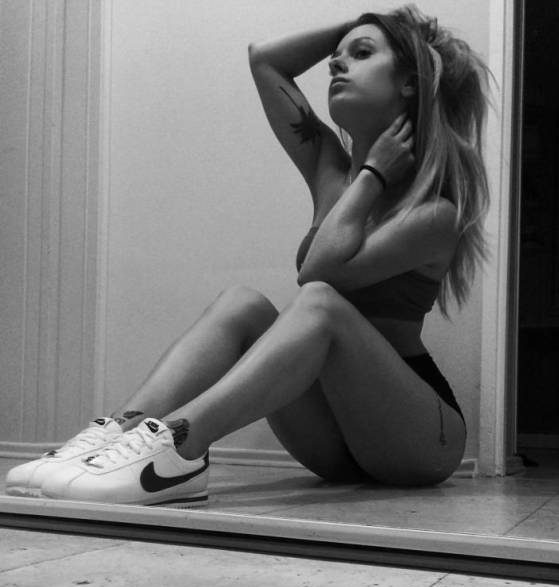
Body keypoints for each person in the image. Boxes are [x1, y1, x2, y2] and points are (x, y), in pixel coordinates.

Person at [6, 4, 490, 507]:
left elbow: (319, 271)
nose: (335, 63)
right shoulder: (330, 168)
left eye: (362, 53)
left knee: (320, 304)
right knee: (243, 303)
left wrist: (372, 175)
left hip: (418, 439)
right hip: (335, 440)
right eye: (336, 56)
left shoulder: (434, 213)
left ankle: (178, 448)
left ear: (410, 82)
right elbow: (266, 61)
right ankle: (115, 435)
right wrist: (353, 30)